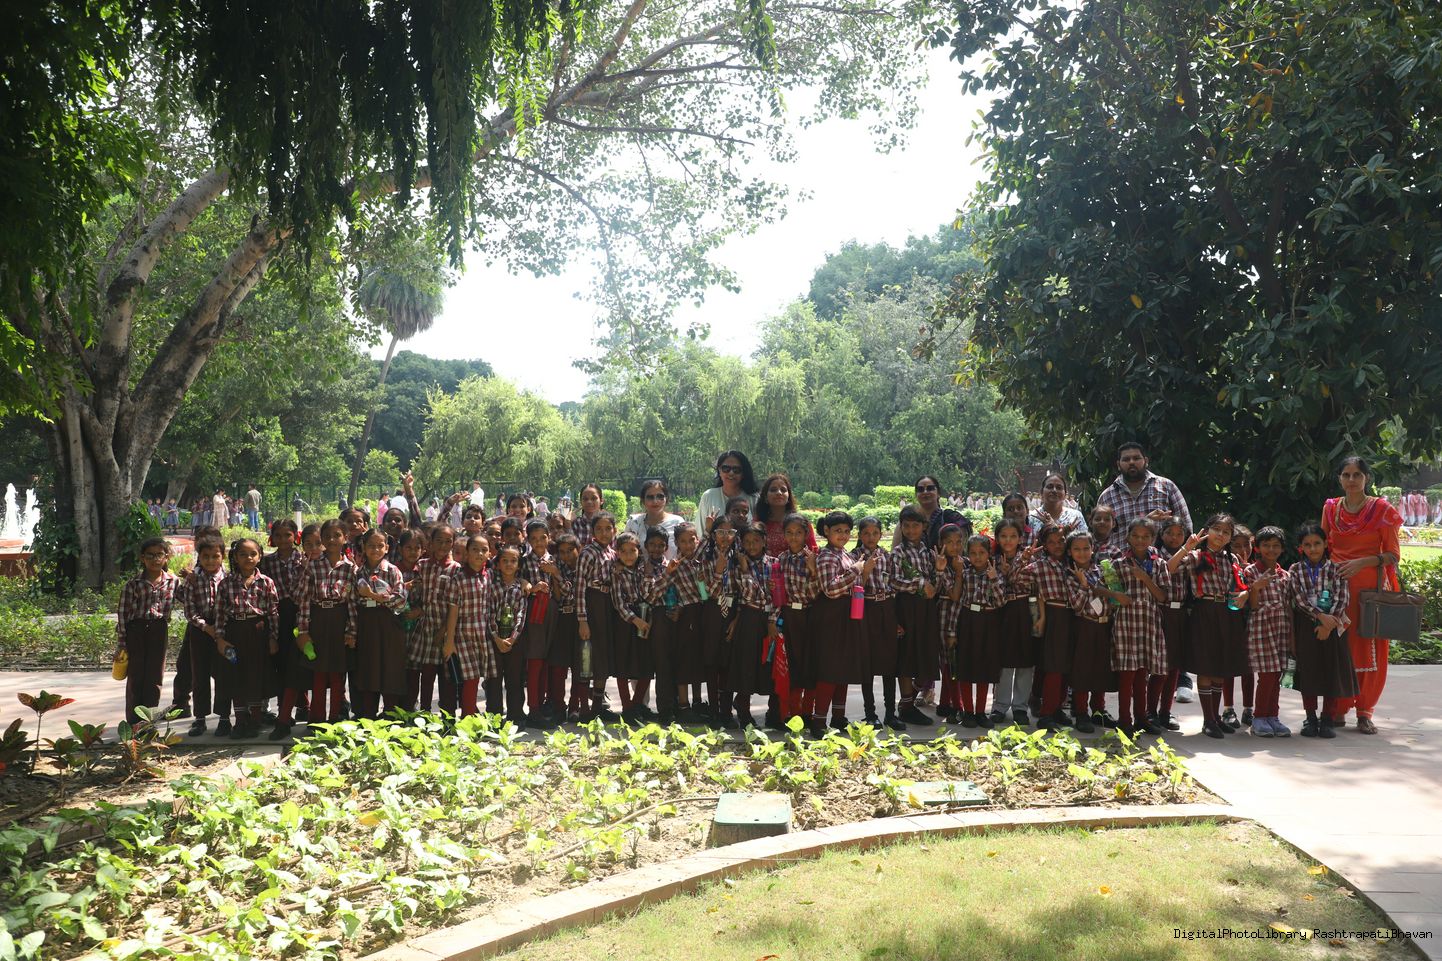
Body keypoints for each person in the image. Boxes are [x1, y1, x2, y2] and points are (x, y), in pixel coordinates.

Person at [1322, 455, 1402, 735]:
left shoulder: (1382, 509)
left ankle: (1365, 711)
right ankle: (1338, 707)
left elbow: (1393, 555)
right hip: (1336, 589)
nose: (1352, 480)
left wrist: (1362, 562)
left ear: (1367, 478)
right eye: (1346, 474)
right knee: (1339, 648)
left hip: (1370, 591)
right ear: (1339, 478)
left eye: (1357, 474)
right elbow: (1322, 547)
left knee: (1371, 650)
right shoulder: (1331, 508)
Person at [1168, 514, 1250, 739]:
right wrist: (1186, 547)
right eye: (1216, 529)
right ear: (1207, 531)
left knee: (1220, 667)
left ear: (1230, 537)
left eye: (1226, 532)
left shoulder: (1231, 558)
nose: (1220, 535)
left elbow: (1242, 585)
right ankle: (1208, 720)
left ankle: (1216, 717)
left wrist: (1244, 593)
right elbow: (1170, 568)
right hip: (1204, 611)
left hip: (1227, 613)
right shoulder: (1196, 556)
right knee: (1206, 666)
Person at [1289, 522, 1357, 738]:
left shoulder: (1336, 569)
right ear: (1301, 547)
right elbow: (1299, 599)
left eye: (1317, 543)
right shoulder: (1295, 570)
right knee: (1308, 670)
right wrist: (1320, 617)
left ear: (1326, 544)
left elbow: (1342, 598)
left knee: (1331, 671)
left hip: (1333, 627)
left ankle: (1328, 718)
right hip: (1306, 625)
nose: (1313, 549)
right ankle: (1310, 718)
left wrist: (1329, 623)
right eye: (1307, 545)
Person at [214, 537, 280, 740]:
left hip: (258, 632)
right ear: (235, 557)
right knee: (237, 676)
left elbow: (273, 612)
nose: (248, 558)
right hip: (234, 633)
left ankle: (255, 720)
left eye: (253, 554)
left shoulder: (266, 582)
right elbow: (220, 613)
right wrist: (220, 639)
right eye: (243, 554)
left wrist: (273, 638)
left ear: (260, 557)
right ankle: (240, 720)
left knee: (255, 675)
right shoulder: (226, 584)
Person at [1110, 519, 1167, 736]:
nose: (1140, 540)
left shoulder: (1159, 564)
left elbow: (1162, 596)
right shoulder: (1117, 564)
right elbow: (1109, 593)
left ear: (1153, 538)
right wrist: (1117, 596)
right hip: (1126, 622)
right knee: (1127, 673)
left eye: (1145, 537)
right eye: (1135, 536)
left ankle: (1141, 718)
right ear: (1127, 537)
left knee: (1142, 672)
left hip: (1149, 622)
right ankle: (1124, 719)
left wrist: (1144, 578)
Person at [296, 519, 355, 728]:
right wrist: (303, 630)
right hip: (318, 619)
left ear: (345, 538)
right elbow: (304, 599)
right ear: (322, 539)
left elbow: (352, 602)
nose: (332, 540)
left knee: (338, 672)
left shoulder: (350, 568)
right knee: (319, 672)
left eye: (337, 535)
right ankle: (316, 719)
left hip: (339, 620)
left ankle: (335, 717)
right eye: (327, 536)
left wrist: (352, 630)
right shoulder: (312, 566)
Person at [116, 537, 180, 726]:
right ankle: (133, 722)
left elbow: (188, 598)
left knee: (155, 676)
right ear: (142, 558)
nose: (155, 559)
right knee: (136, 676)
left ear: (166, 557)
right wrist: (122, 643)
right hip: (136, 630)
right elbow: (123, 614)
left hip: (158, 630)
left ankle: (148, 721)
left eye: (159, 555)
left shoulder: (173, 582)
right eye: (150, 556)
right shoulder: (133, 584)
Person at [261, 519, 310, 739]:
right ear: (272, 538)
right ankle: (284, 710)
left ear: (295, 537)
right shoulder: (267, 562)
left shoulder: (304, 559)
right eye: (278, 535)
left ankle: (304, 706)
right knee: (282, 662)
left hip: (301, 613)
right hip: (278, 614)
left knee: (301, 660)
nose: (283, 540)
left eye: (287, 535)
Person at [181, 532, 229, 737]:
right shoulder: (192, 580)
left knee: (223, 674)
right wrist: (205, 627)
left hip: (223, 630)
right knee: (199, 675)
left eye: (215, 556)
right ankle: (200, 719)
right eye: (205, 557)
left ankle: (224, 718)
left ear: (222, 556)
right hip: (200, 631)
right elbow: (189, 610)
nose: (210, 561)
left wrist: (219, 629)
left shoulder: (228, 578)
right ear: (199, 557)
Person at [1096, 442, 1194, 533]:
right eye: (1126, 459)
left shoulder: (1167, 487)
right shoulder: (1106, 497)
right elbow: (1099, 536)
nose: (1131, 462)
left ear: (1146, 461)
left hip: (1162, 547)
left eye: (1136, 458)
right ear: (1118, 465)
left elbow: (1186, 526)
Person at [891, 475, 967, 550]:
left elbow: (961, 548)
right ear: (916, 495)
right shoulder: (905, 521)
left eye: (930, 488)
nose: (925, 492)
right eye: (920, 489)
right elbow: (894, 551)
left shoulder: (952, 518)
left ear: (938, 493)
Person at [754, 473, 817, 557]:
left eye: (783, 490)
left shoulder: (801, 523)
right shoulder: (757, 523)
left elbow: (813, 552)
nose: (779, 493)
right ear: (765, 496)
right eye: (773, 490)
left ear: (789, 496)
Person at [696, 450, 759, 532]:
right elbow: (700, 531)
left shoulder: (754, 498)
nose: (731, 473)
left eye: (736, 470)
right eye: (726, 468)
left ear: (743, 473)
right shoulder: (709, 496)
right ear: (719, 471)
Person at [624, 479, 685, 558]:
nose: (655, 501)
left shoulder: (678, 523)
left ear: (666, 499)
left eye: (660, 496)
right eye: (650, 497)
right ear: (643, 500)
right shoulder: (633, 523)